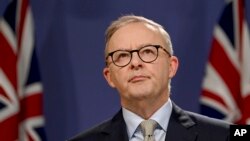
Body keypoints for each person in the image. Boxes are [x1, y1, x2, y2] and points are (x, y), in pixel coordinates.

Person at [68, 15, 230, 141]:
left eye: (148, 51)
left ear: (171, 66)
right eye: (122, 56)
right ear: (109, 76)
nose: (136, 63)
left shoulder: (226, 135)